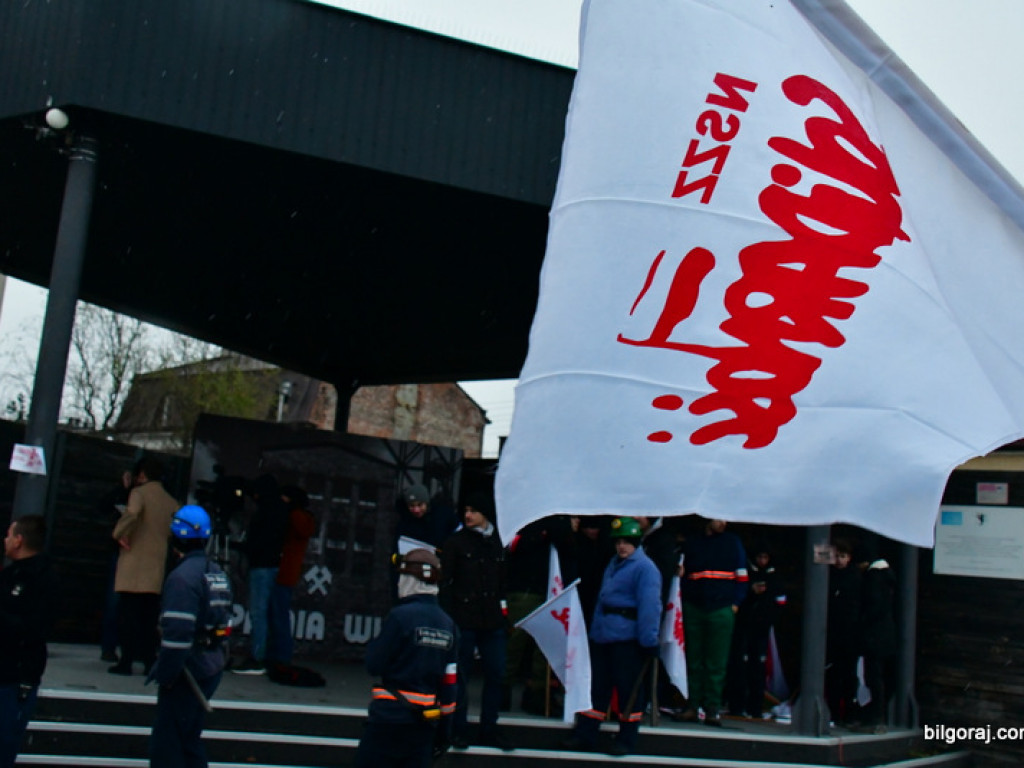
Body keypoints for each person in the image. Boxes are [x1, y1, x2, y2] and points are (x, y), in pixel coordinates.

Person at [353, 549, 458, 768]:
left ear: (409, 579)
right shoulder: (449, 625)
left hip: (388, 719)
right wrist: (445, 731)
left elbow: (374, 664)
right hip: (424, 724)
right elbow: (450, 685)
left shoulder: (400, 617)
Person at [565, 517, 661, 757]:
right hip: (604, 636)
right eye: (618, 542)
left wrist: (649, 640)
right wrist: (594, 632)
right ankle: (586, 734)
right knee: (597, 689)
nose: (622, 546)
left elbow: (650, 607)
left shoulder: (645, 568)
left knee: (629, 692)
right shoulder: (614, 563)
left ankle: (626, 739)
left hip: (628, 639)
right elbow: (602, 600)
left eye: (627, 542)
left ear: (637, 543)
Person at [147, 505, 232, 768]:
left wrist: (166, 673)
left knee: (169, 747)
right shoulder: (216, 572)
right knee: (189, 743)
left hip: (188, 671)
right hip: (210, 666)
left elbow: (177, 635)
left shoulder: (182, 578)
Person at [439, 493, 513, 751]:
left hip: (492, 620)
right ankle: (457, 729)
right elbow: (445, 583)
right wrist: (449, 617)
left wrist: (505, 615)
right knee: (460, 675)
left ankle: (489, 729)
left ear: (485, 513)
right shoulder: (455, 542)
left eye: (473, 510)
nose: (468, 515)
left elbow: (505, 582)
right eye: (466, 510)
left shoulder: (499, 543)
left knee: (496, 673)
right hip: (463, 618)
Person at [111, 456, 179, 675]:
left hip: (134, 561)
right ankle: (150, 660)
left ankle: (126, 661)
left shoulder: (138, 493)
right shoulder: (171, 502)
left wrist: (119, 533)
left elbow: (132, 514)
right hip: (156, 563)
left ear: (142, 474)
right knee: (149, 618)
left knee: (128, 614)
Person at [0, 515, 58, 768]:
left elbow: (34, 628)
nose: (6, 539)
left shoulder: (40, 578)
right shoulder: (10, 574)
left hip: (14, 675)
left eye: (9, 534)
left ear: (19, 540)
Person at [502, 514, 575, 715]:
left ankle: (536, 694)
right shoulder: (525, 517)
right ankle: (503, 690)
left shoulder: (559, 520)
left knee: (543, 647)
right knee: (515, 642)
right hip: (524, 587)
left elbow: (566, 544)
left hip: (550, 589)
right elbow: (512, 545)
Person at [678, 518, 748, 725]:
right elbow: (683, 573)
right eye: (719, 518)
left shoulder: (733, 542)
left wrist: (735, 603)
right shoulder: (692, 542)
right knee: (693, 659)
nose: (723, 522)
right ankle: (692, 705)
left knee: (716, 661)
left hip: (721, 608)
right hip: (694, 606)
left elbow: (742, 575)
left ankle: (712, 708)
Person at [234, 474, 287, 675]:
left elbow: (260, 539)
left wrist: (245, 547)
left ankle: (258, 657)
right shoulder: (279, 509)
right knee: (266, 612)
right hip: (271, 565)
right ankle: (266, 655)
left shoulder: (267, 511)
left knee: (258, 612)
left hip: (262, 565)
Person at [726, 541, 786, 718]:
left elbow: (780, 602)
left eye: (765, 557)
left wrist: (769, 618)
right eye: (759, 557)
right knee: (739, 667)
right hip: (744, 627)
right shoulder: (746, 573)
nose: (762, 561)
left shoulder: (774, 577)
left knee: (758, 669)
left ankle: (756, 708)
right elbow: (738, 597)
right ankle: (737, 705)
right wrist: (751, 592)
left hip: (762, 629)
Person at [267, 484, 315, 667]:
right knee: (280, 615)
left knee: (278, 616)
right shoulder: (304, 518)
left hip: (283, 571)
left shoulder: (294, 516)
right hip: (289, 572)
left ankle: (279, 655)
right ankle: (280, 655)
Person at [858, 541, 897, 733]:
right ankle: (879, 714)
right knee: (879, 675)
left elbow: (873, 605)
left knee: (873, 676)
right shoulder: (888, 576)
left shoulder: (873, 578)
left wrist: (862, 622)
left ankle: (875, 715)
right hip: (887, 633)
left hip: (874, 634)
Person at [825, 538, 862, 726]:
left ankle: (848, 711)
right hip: (831, 632)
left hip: (849, 632)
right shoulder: (827, 575)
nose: (839, 560)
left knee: (848, 674)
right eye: (837, 556)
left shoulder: (854, 577)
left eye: (843, 556)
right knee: (832, 674)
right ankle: (833, 711)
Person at [395, 484, 457, 551]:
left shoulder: (443, 517)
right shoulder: (404, 523)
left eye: (420, 505)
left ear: (427, 503)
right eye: (411, 506)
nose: (416, 510)